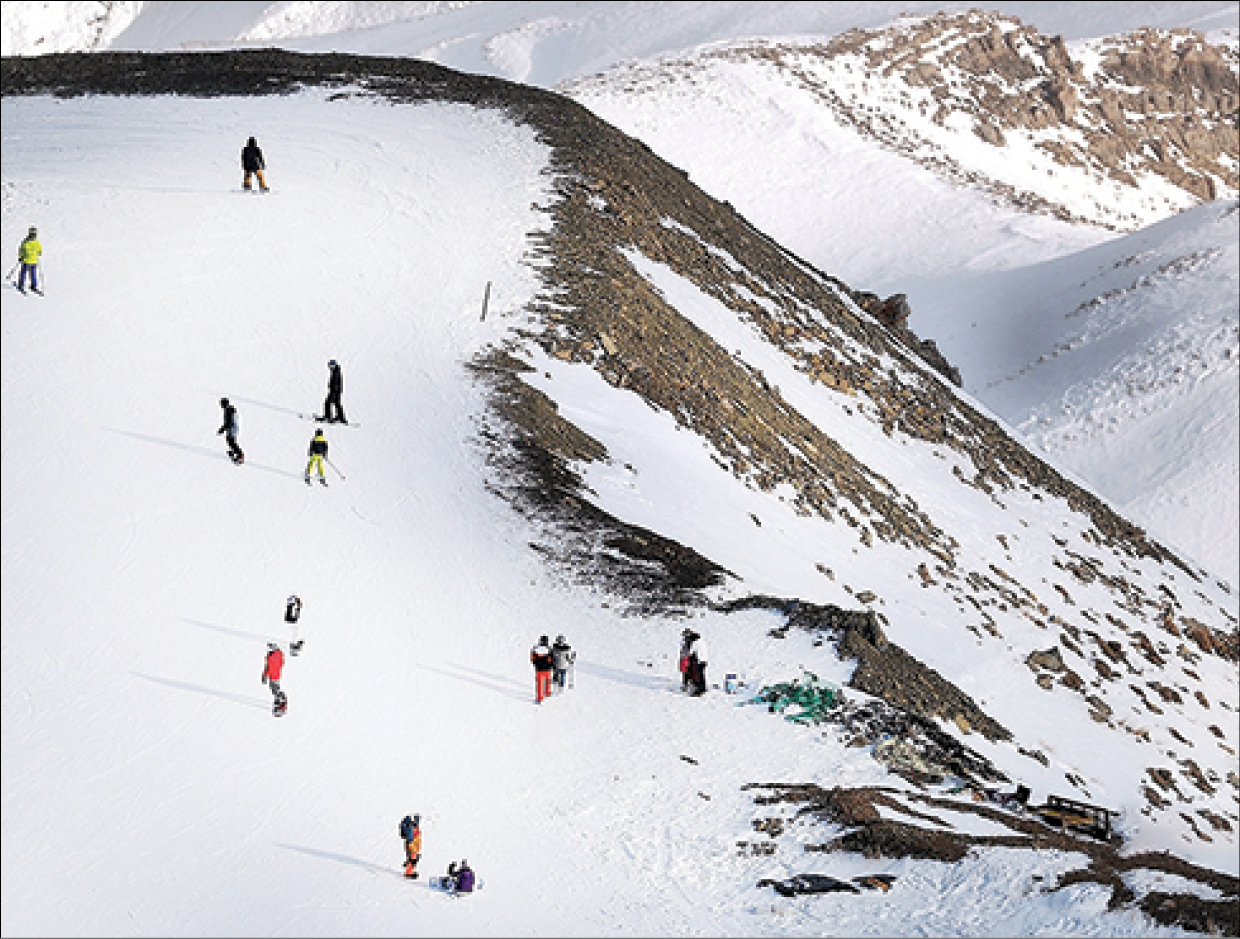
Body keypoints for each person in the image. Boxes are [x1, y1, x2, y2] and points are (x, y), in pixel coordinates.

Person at [15, 226, 42, 295]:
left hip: (33, 261)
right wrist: (20, 257)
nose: (33, 236)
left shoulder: (36, 242)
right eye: (32, 234)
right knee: (23, 273)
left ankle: (33, 285)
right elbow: (21, 250)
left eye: (34, 234)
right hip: (26, 260)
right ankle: (21, 284)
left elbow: (40, 249)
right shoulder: (25, 242)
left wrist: (39, 252)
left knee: (33, 274)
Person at [262, 642, 286, 714]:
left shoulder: (270, 658)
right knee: (276, 687)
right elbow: (282, 663)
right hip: (278, 674)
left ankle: (280, 701)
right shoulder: (279, 654)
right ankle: (279, 700)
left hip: (273, 675)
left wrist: (265, 675)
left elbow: (268, 668)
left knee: (274, 689)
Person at [218, 397, 244, 464]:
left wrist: (222, 429)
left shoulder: (228, 410)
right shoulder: (230, 409)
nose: (221, 406)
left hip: (232, 427)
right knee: (231, 441)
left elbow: (228, 421)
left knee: (230, 441)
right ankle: (235, 452)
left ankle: (239, 455)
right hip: (234, 426)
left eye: (221, 404)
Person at [530, 635, 554, 704]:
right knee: (548, 681)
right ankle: (547, 692)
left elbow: (532, 659)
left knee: (539, 684)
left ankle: (540, 698)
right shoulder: (549, 649)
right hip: (547, 669)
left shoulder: (535, 649)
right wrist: (550, 665)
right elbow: (551, 660)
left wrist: (536, 664)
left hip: (539, 670)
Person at [685, 629, 709, 696]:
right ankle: (703, 688)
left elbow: (690, 652)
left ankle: (698, 691)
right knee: (702, 675)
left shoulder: (695, 643)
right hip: (704, 660)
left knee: (697, 676)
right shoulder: (702, 642)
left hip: (698, 661)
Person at [321, 359, 347, 424]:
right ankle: (341, 418)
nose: (330, 368)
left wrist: (333, 390)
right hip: (337, 391)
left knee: (328, 403)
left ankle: (328, 417)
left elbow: (335, 383)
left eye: (331, 366)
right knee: (337, 404)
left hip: (335, 391)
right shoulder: (336, 371)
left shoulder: (336, 372)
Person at [399, 814, 422, 879]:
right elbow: (410, 840)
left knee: (413, 859)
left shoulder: (415, 828)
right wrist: (413, 850)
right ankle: (408, 873)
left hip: (414, 846)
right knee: (413, 860)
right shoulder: (411, 829)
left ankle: (409, 868)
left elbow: (416, 838)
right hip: (412, 846)